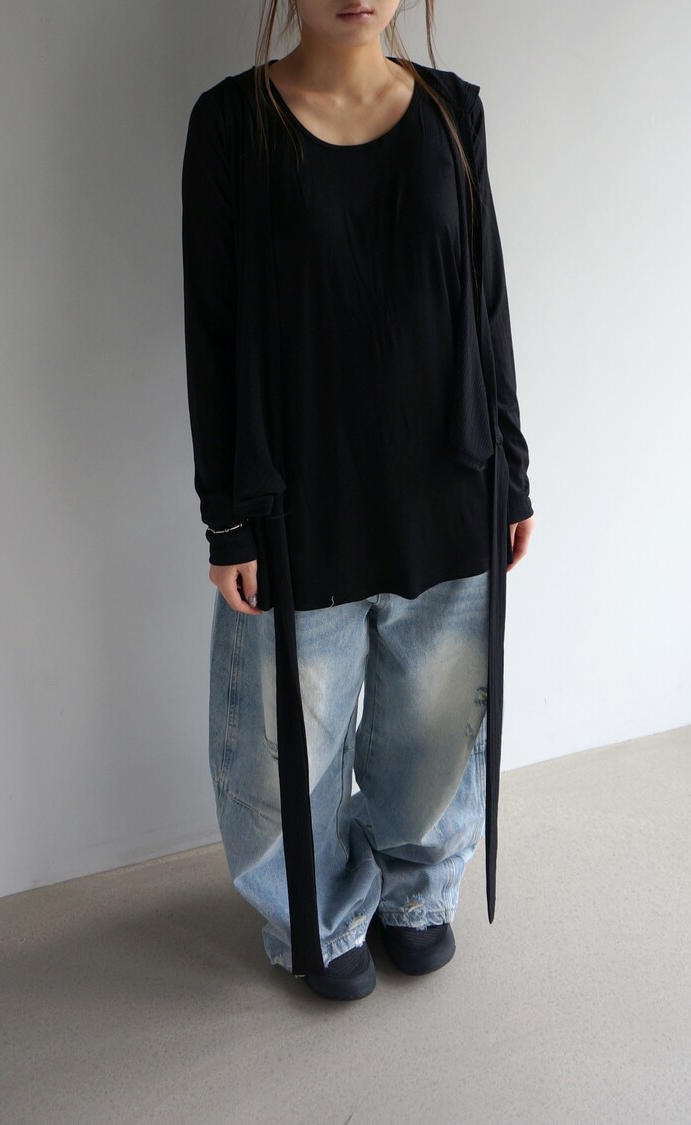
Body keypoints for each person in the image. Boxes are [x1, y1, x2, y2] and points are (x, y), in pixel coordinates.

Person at [181, 0, 535, 1002]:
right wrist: (226, 516)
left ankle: (416, 897)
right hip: (299, 506)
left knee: (436, 732)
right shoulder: (231, 125)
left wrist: (511, 471)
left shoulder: (453, 112)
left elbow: (486, 305)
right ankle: (317, 911)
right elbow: (213, 328)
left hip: (446, 486)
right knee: (280, 752)